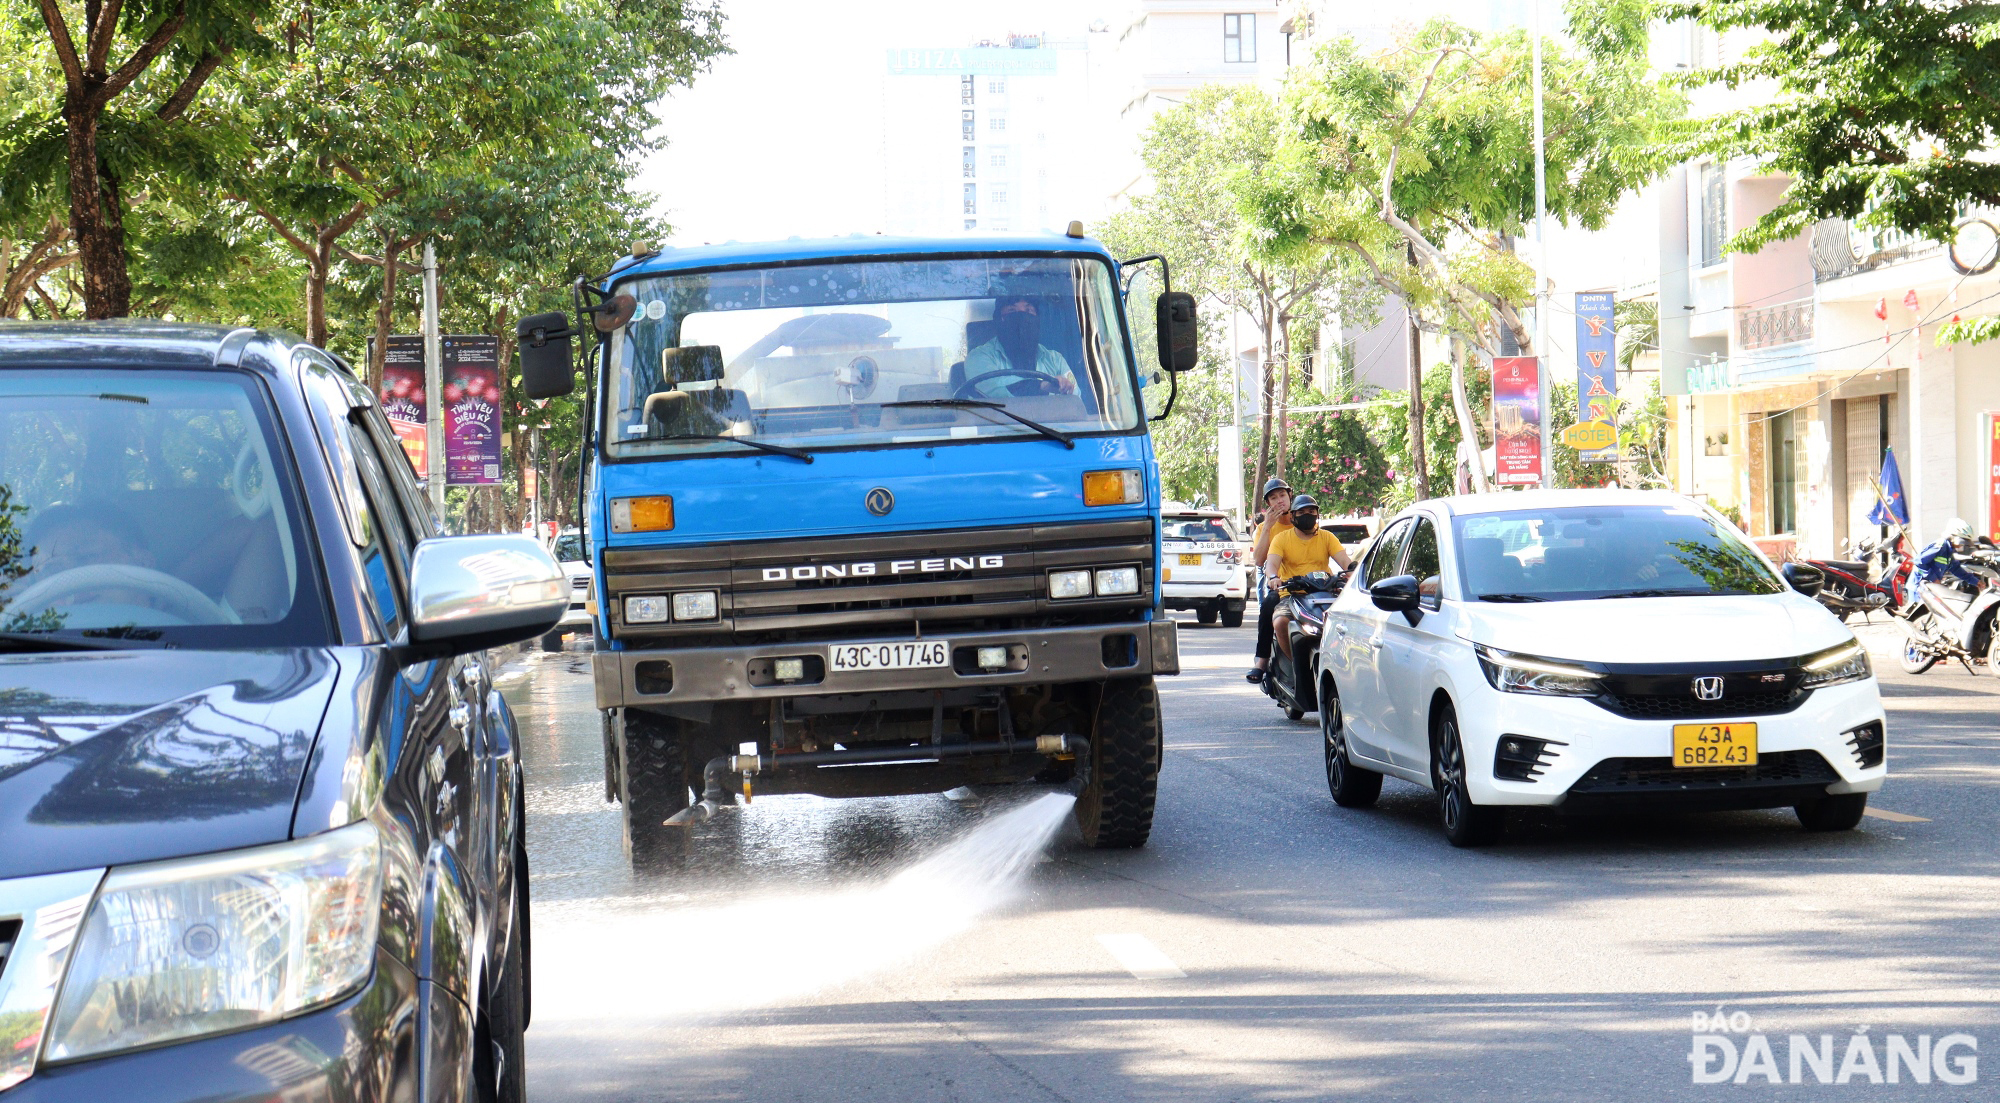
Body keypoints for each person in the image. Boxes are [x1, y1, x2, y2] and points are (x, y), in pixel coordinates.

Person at [1266, 494, 1353, 663]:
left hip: (1325, 594)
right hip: (1292, 596)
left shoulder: (1327, 537)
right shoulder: (1281, 539)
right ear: (1292, 516)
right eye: (1302, 512)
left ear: (1317, 514)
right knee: (1280, 622)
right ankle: (1295, 665)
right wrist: (1274, 577)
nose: (1307, 514)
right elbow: (1271, 564)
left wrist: (1353, 574)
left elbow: (1345, 563)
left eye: (1311, 511)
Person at [963, 296, 1077, 397]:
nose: (1022, 317)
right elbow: (994, 391)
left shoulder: (1055, 359)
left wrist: (1065, 387)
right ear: (999, 319)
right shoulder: (978, 357)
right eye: (1012, 310)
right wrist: (1042, 386)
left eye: (1028, 310)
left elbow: (1076, 400)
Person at [1245, 476, 1293, 683]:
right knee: (1268, 606)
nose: (1279, 501)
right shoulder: (1266, 528)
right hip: (1281, 585)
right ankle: (1262, 661)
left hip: (1310, 584)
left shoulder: (1302, 519)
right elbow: (1259, 559)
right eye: (1274, 498)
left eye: (1282, 495)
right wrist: (1266, 527)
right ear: (1268, 504)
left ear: (1290, 496)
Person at [1915, 518, 1982, 597]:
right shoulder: (1940, 546)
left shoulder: (1950, 550)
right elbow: (1918, 562)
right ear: (1952, 537)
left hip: (1930, 587)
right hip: (1919, 587)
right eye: (1961, 541)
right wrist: (1933, 578)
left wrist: (1976, 581)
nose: (1962, 545)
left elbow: (1956, 569)